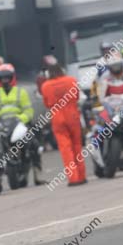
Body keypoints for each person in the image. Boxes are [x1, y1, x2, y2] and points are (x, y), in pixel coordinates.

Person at [40, 57, 86, 186]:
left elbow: (47, 103)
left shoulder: (45, 86)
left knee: (65, 149)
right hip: (73, 116)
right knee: (77, 145)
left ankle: (74, 178)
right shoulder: (71, 81)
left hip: (58, 118)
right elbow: (76, 97)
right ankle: (82, 175)